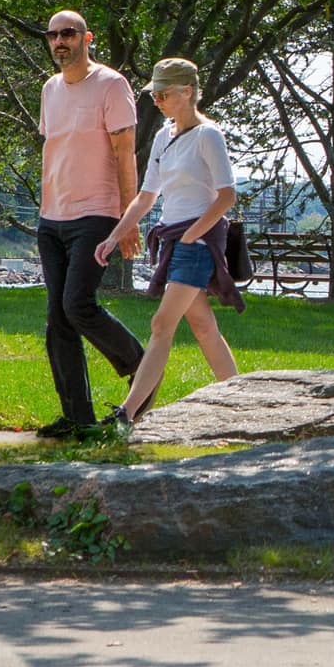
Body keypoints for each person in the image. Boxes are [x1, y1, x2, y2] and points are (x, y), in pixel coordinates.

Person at [92, 57, 243, 433]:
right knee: (203, 325)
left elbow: (227, 196)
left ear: (187, 92)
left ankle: (126, 414)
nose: (157, 100)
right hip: (173, 236)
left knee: (162, 324)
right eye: (154, 94)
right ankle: (241, 397)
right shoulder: (164, 136)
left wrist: (194, 235)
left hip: (197, 239)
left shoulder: (208, 135)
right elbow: (146, 197)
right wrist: (114, 235)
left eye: (164, 94)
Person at [33, 9, 149, 439]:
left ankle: (141, 367)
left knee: (77, 305)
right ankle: (77, 418)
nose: (60, 41)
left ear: (87, 38)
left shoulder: (112, 85)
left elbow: (125, 155)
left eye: (69, 33)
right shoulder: (49, 89)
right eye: (53, 35)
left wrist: (127, 218)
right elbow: (57, 149)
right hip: (52, 218)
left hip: (97, 213)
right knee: (57, 318)